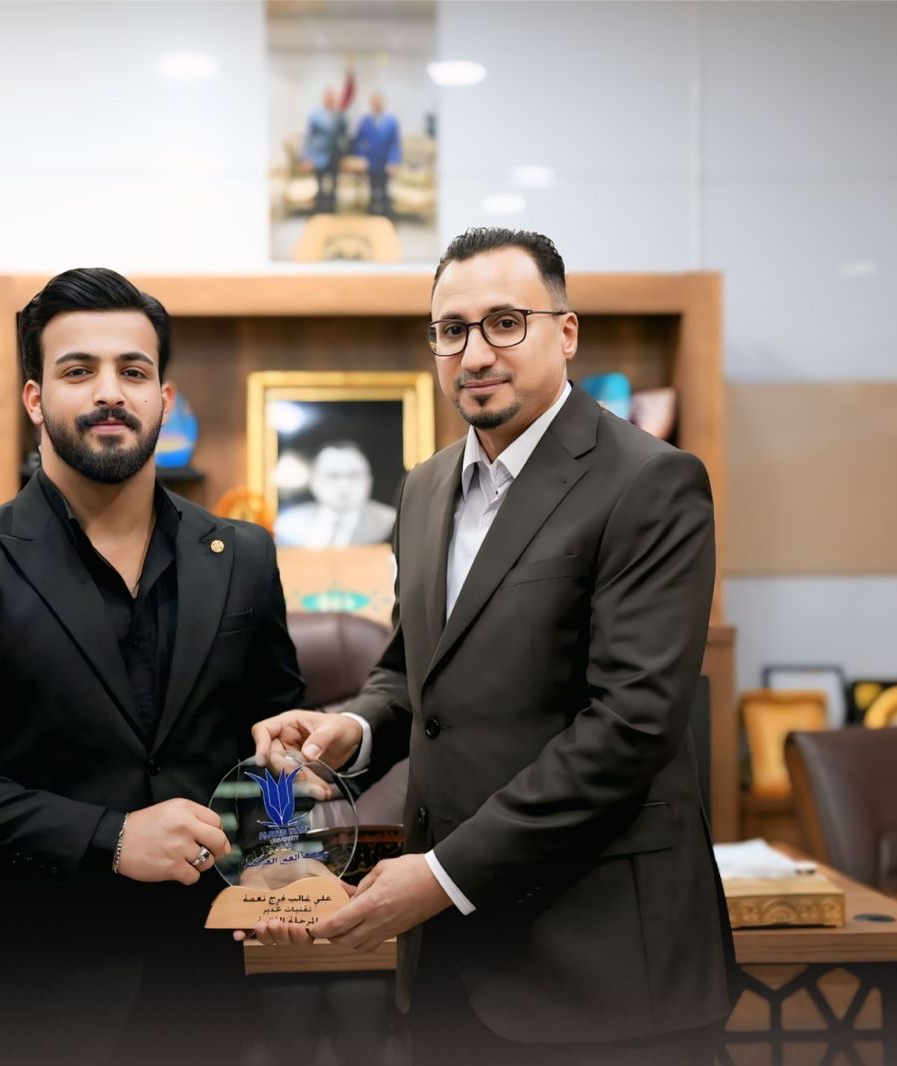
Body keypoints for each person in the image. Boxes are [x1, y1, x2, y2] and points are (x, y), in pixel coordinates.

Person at [249, 228, 739, 1064]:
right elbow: (413, 673)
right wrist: (351, 730)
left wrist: (442, 875)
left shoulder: (650, 482)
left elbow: (631, 724)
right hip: (450, 965)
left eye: (505, 323)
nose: (474, 353)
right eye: (451, 330)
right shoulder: (424, 487)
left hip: (604, 971)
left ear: (566, 332)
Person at [0, 267, 305, 1064]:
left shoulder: (242, 556)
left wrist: (277, 857)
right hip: (24, 998)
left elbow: (272, 746)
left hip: (200, 995)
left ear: (164, 398)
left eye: (133, 372)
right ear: (35, 398)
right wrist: (110, 838)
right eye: (79, 371)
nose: (110, 392)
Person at [273, 440, 398, 547]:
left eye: (353, 475)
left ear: (369, 480)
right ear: (314, 481)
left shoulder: (391, 522)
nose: (344, 486)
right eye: (333, 476)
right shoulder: (288, 524)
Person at [351, 91, 402, 216]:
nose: (377, 104)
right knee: (372, 190)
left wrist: (393, 161)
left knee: (384, 190)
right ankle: (372, 215)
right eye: (374, 101)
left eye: (379, 101)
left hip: (386, 163)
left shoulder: (391, 121)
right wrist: (361, 157)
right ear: (370, 103)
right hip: (370, 162)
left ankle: (386, 216)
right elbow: (357, 141)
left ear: (383, 102)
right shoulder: (365, 120)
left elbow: (394, 144)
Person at [302, 85, 346, 213]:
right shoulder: (315, 115)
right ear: (323, 97)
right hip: (319, 157)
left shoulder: (339, 115)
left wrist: (344, 156)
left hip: (335, 156)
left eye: (332, 96)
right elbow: (309, 137)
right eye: (327, 96)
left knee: (334, 187)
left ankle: (332, 211)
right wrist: (308, 157)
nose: (330, 98)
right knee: (320, 186)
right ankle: (319, 212)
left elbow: (344, 137)